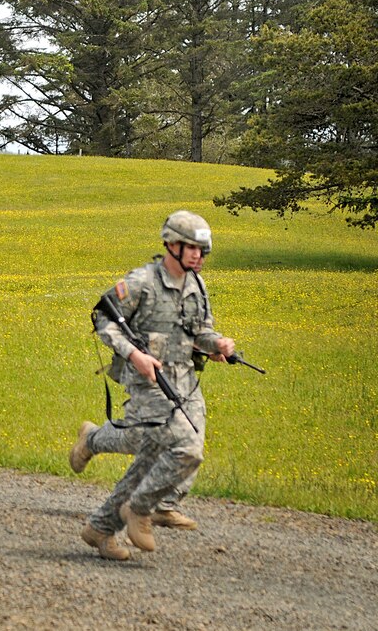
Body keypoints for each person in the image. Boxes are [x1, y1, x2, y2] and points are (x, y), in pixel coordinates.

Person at [78, 211, 235, 561]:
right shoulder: (142, 282)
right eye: (191, 248)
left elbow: (200, 331)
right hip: (147, 379)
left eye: (202, 250)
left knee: (152, 454)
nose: (198, 256)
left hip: (185, 381)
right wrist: (135, 355)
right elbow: (103, 317)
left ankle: (101, 528)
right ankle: (142, 508)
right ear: (171, 244)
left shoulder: (197, 285)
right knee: (185, 449)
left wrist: (217, 345)